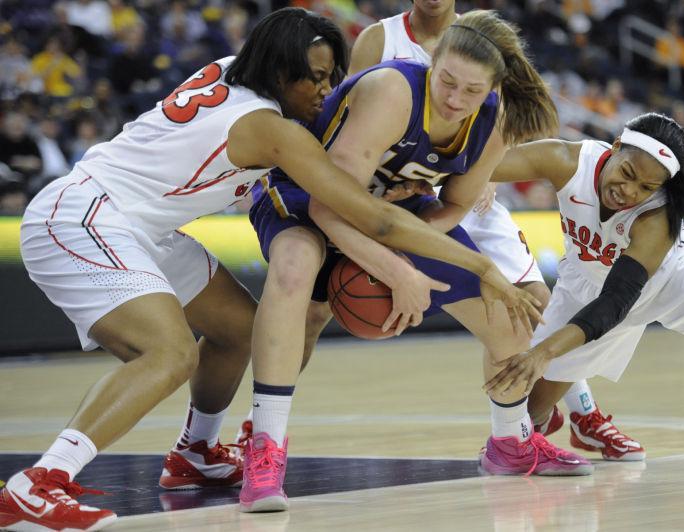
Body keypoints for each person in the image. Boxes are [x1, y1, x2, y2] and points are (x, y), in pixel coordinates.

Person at [0, 8, 528, 532]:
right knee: (169, 352)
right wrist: (478, 265)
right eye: (316, 79)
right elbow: (370, 217)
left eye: (331, 77)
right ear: (279, 74)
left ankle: (197, 450)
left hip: (140, 224)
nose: (326, 93)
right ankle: (41, 482)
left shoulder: (234, 68)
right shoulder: (272, 130)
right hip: (85, 216)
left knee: (238, 329)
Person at [242, 9, 592, 515]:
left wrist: (413, 241)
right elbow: (328, 203)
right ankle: (264, 449)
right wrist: (396, 269)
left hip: (393, 209)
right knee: (295, 267)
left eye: (471, 92)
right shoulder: (392, 91)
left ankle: (510, 443)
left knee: (512, 317)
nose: (454, 99)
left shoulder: (495, 121)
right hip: (308, 195)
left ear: (493, 89)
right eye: (446, 81)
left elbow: (453, 204)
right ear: (433, 62)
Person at [345, 0, 645, 462]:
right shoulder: (381, 41)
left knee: (538, 310)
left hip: (461, 195)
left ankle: (576, 416)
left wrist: (481, 173)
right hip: (398, 194)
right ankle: (256, 423)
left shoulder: (483, 38)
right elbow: (352, 120)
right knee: (309, 312)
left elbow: (506, 126)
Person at [480, 113, 684, 458]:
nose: (629, 192)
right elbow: (471, 163)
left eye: (647, 188)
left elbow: (616, 302)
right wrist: (482, 178)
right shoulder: (567, 160)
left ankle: (583, 415)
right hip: (587, 282)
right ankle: (585, 423)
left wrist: (545, 352)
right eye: (627, 173)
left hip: (674, 279)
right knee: (532, 416)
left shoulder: (657, 217)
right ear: (615, 147)